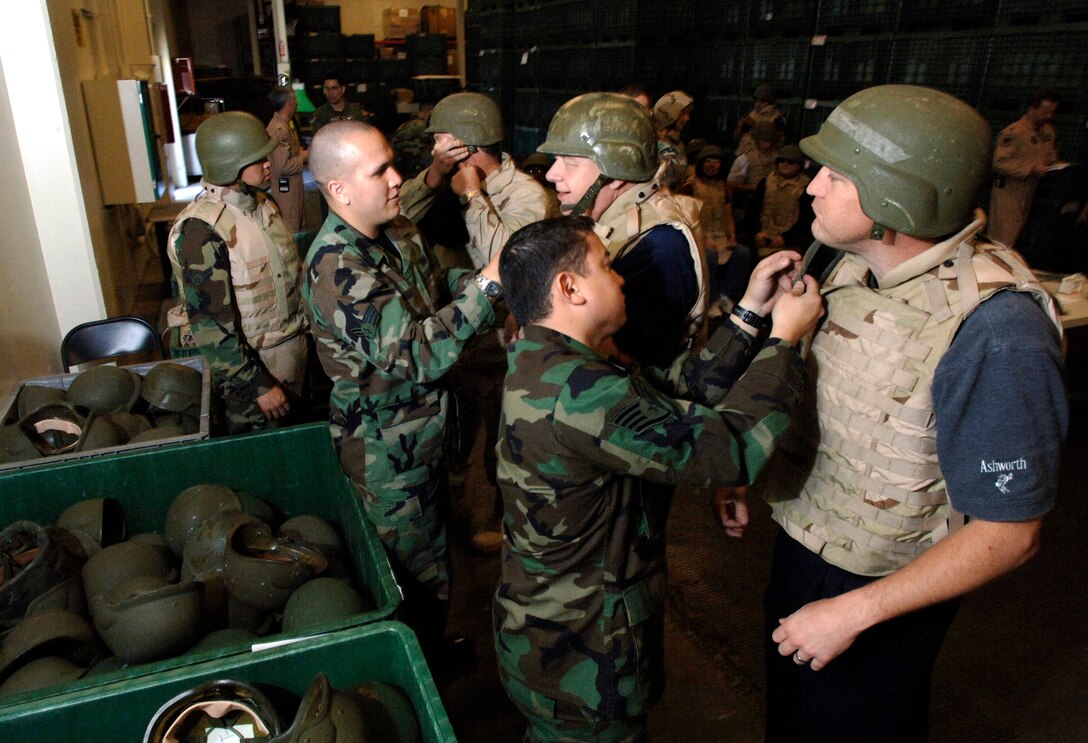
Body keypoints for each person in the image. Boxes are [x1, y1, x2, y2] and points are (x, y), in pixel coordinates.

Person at [745, 85, 1067, 742]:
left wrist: (853, 612)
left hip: (879, 593)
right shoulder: (849, 267)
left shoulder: (998, 329)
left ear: (896, 200)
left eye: (836, 175)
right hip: (808, 546)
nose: (813, 187)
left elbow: (1010, 532)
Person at [493, 215, 824, 742]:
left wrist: (751, 312)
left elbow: (672, 398)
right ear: (570, 288)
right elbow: (732, 448)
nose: (620, 278)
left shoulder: (550, 362)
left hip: (549, 642)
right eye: (606, 266)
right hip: (583, 661)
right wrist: (785, 339)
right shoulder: (580, 394)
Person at [299, 119, 503, 657]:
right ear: (339, 189)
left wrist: (478, 282)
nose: (397, 179)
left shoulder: (398, 229)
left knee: (437, 556)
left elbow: (436, 286)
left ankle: (433, 643)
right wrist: (488, 286)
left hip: (430, 430)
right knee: (410, 572)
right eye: (380, 171)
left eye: (392, 164)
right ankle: (418, 667)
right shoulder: (335, 269)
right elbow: (416, 353)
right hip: (387, 451)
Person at [400, 91, 560, 553]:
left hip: (500, 347)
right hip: (451, 340)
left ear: (465, 144)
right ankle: (457, 522)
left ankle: (503, 526)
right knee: (451, 442)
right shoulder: (441, 181)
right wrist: (434, 176)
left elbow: (508, 266)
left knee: (503, 443)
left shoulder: (526, 195)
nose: (433, 147)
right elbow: (394, 216)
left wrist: (474, 196)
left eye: (440, 139)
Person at [540, 92, 708, 370]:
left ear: (616, 172)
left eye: (570, 162)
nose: (552, 174)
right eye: (556, 159)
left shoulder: (660, 247)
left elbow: (619, 357)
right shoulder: (607, 217)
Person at [166, 111, 309, 435]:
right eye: (258, 159)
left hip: (292, 358)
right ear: (229, 166)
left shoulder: (262, 204)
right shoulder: (200, 231)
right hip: (253, 383)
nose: (268, 164)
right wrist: (256, 386)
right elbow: (211, 328)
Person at [989, 89, 1063, 249]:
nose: (1049, 116)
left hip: (1031, 189)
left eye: (1052, 112)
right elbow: (999, 162)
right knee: (1003, 238)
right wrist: (1030, 169)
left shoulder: (1047, 132)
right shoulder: (1015, 133)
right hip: (1009, 191)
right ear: (1032, 109)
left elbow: (1050, 156)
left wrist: (1056, 166)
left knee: (1015, 237)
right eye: (1045, 111)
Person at [680, 144, 750, 305]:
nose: (712, 166)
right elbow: (686, 219)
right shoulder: (690, 186)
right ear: (701, 163)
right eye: (708, 161)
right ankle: (712, 297)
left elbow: (728, 214)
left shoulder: (723, 186)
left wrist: (732, 236)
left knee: (743, 253)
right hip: (700, 236)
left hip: (721, 235)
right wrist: (703, 240)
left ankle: (727, 294)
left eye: (716, 162)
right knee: (709, 256)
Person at [738, 144, 814, 255]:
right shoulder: (766, 182)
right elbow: (752, 211)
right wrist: (756, 233)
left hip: (791, 238)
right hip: (763, 234)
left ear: (798, 166)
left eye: (790, 162)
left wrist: (785, 238)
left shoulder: (806, 187)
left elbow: (806, 221)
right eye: (781, 160)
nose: (785, 164)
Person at [266, 85, 308, 232]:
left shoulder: (284, 125)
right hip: (286, 191)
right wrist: (302, 157)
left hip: (291, 188)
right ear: (289, 103)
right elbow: (282, 166)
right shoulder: (280, 129)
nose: (297, 103)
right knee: (291, 229)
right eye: (295, 100)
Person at [652, 90, 694, 193]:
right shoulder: (660, 143)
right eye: (683, 113)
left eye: (688, 113)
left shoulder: (675, 142)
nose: (687, 118)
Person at [734, 83, 785, 156]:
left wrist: (754, 125)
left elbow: (774, 141)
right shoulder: (752, 114)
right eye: (756, 100)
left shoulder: (777, 118)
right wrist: (740, 128)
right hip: (745, 152)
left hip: (765, 156)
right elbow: (737, 137)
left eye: (762, 101)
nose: (758, 104)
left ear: (770, 102)